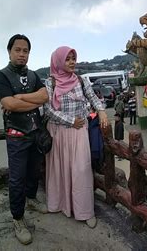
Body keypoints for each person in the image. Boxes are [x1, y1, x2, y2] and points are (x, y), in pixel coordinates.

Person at [44, 46, 108, 229]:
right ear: (58, 61)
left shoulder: (80, 80)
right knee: (60, 170)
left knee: (81, 171)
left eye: (73, 58)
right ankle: (60, 204)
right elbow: (47, 110)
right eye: (67, 59)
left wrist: (101, 111)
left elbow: (94, 98)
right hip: (58, 132)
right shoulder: (50, 83)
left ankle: (84, 211)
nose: (72, 62)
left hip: (79, 132)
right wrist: (71, 120)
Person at [0, 34, 49, 245]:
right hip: (16, 136)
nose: (22, 54)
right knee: (17, 179)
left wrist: (20, 98)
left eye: (25, 50)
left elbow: (45, 96)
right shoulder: (1, 77)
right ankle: (18, 218)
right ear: (9, 51)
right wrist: (29, 101)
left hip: (35, 133)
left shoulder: (34, 75)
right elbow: (10, 105)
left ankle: (32, 199)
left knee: (34, 171)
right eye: (17, 50)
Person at [88, 107, 104, 173]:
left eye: (90, 110)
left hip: (95, 146)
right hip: (95, 145)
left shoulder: (92, 119)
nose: (89, 111)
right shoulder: (95, 120)